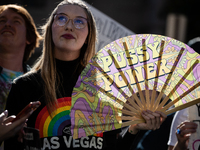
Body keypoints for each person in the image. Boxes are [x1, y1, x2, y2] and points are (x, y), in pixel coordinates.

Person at [5, 0, 167, 150]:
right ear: (50, 28)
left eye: (79, 22)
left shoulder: (108, 88)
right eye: (61, 19)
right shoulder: (23, 87)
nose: (69, 26)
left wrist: (133, 129)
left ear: (89, 35)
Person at [0, 4, 41, 113]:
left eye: (16, 21)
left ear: (29, 37)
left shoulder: (37, 83)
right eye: (2, 21)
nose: (7, 24)